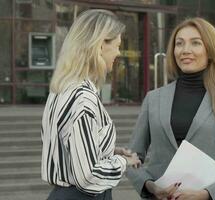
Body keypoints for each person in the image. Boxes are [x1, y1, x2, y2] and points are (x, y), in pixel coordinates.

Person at [127, 17, 215, 200]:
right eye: (179, 44)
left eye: (195, 43)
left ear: (210, 51)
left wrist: (206, 194)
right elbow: (132, 159)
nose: (185, 50)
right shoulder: (153, 99)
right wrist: (151, 187)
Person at [41, 9, 141, 200]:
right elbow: (88, 176)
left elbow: (69, 147)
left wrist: (108, 151)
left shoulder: (61, 90)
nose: (119, 52)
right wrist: (123, 161)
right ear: (101, 44)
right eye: (117, 45)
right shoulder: (83, 99)